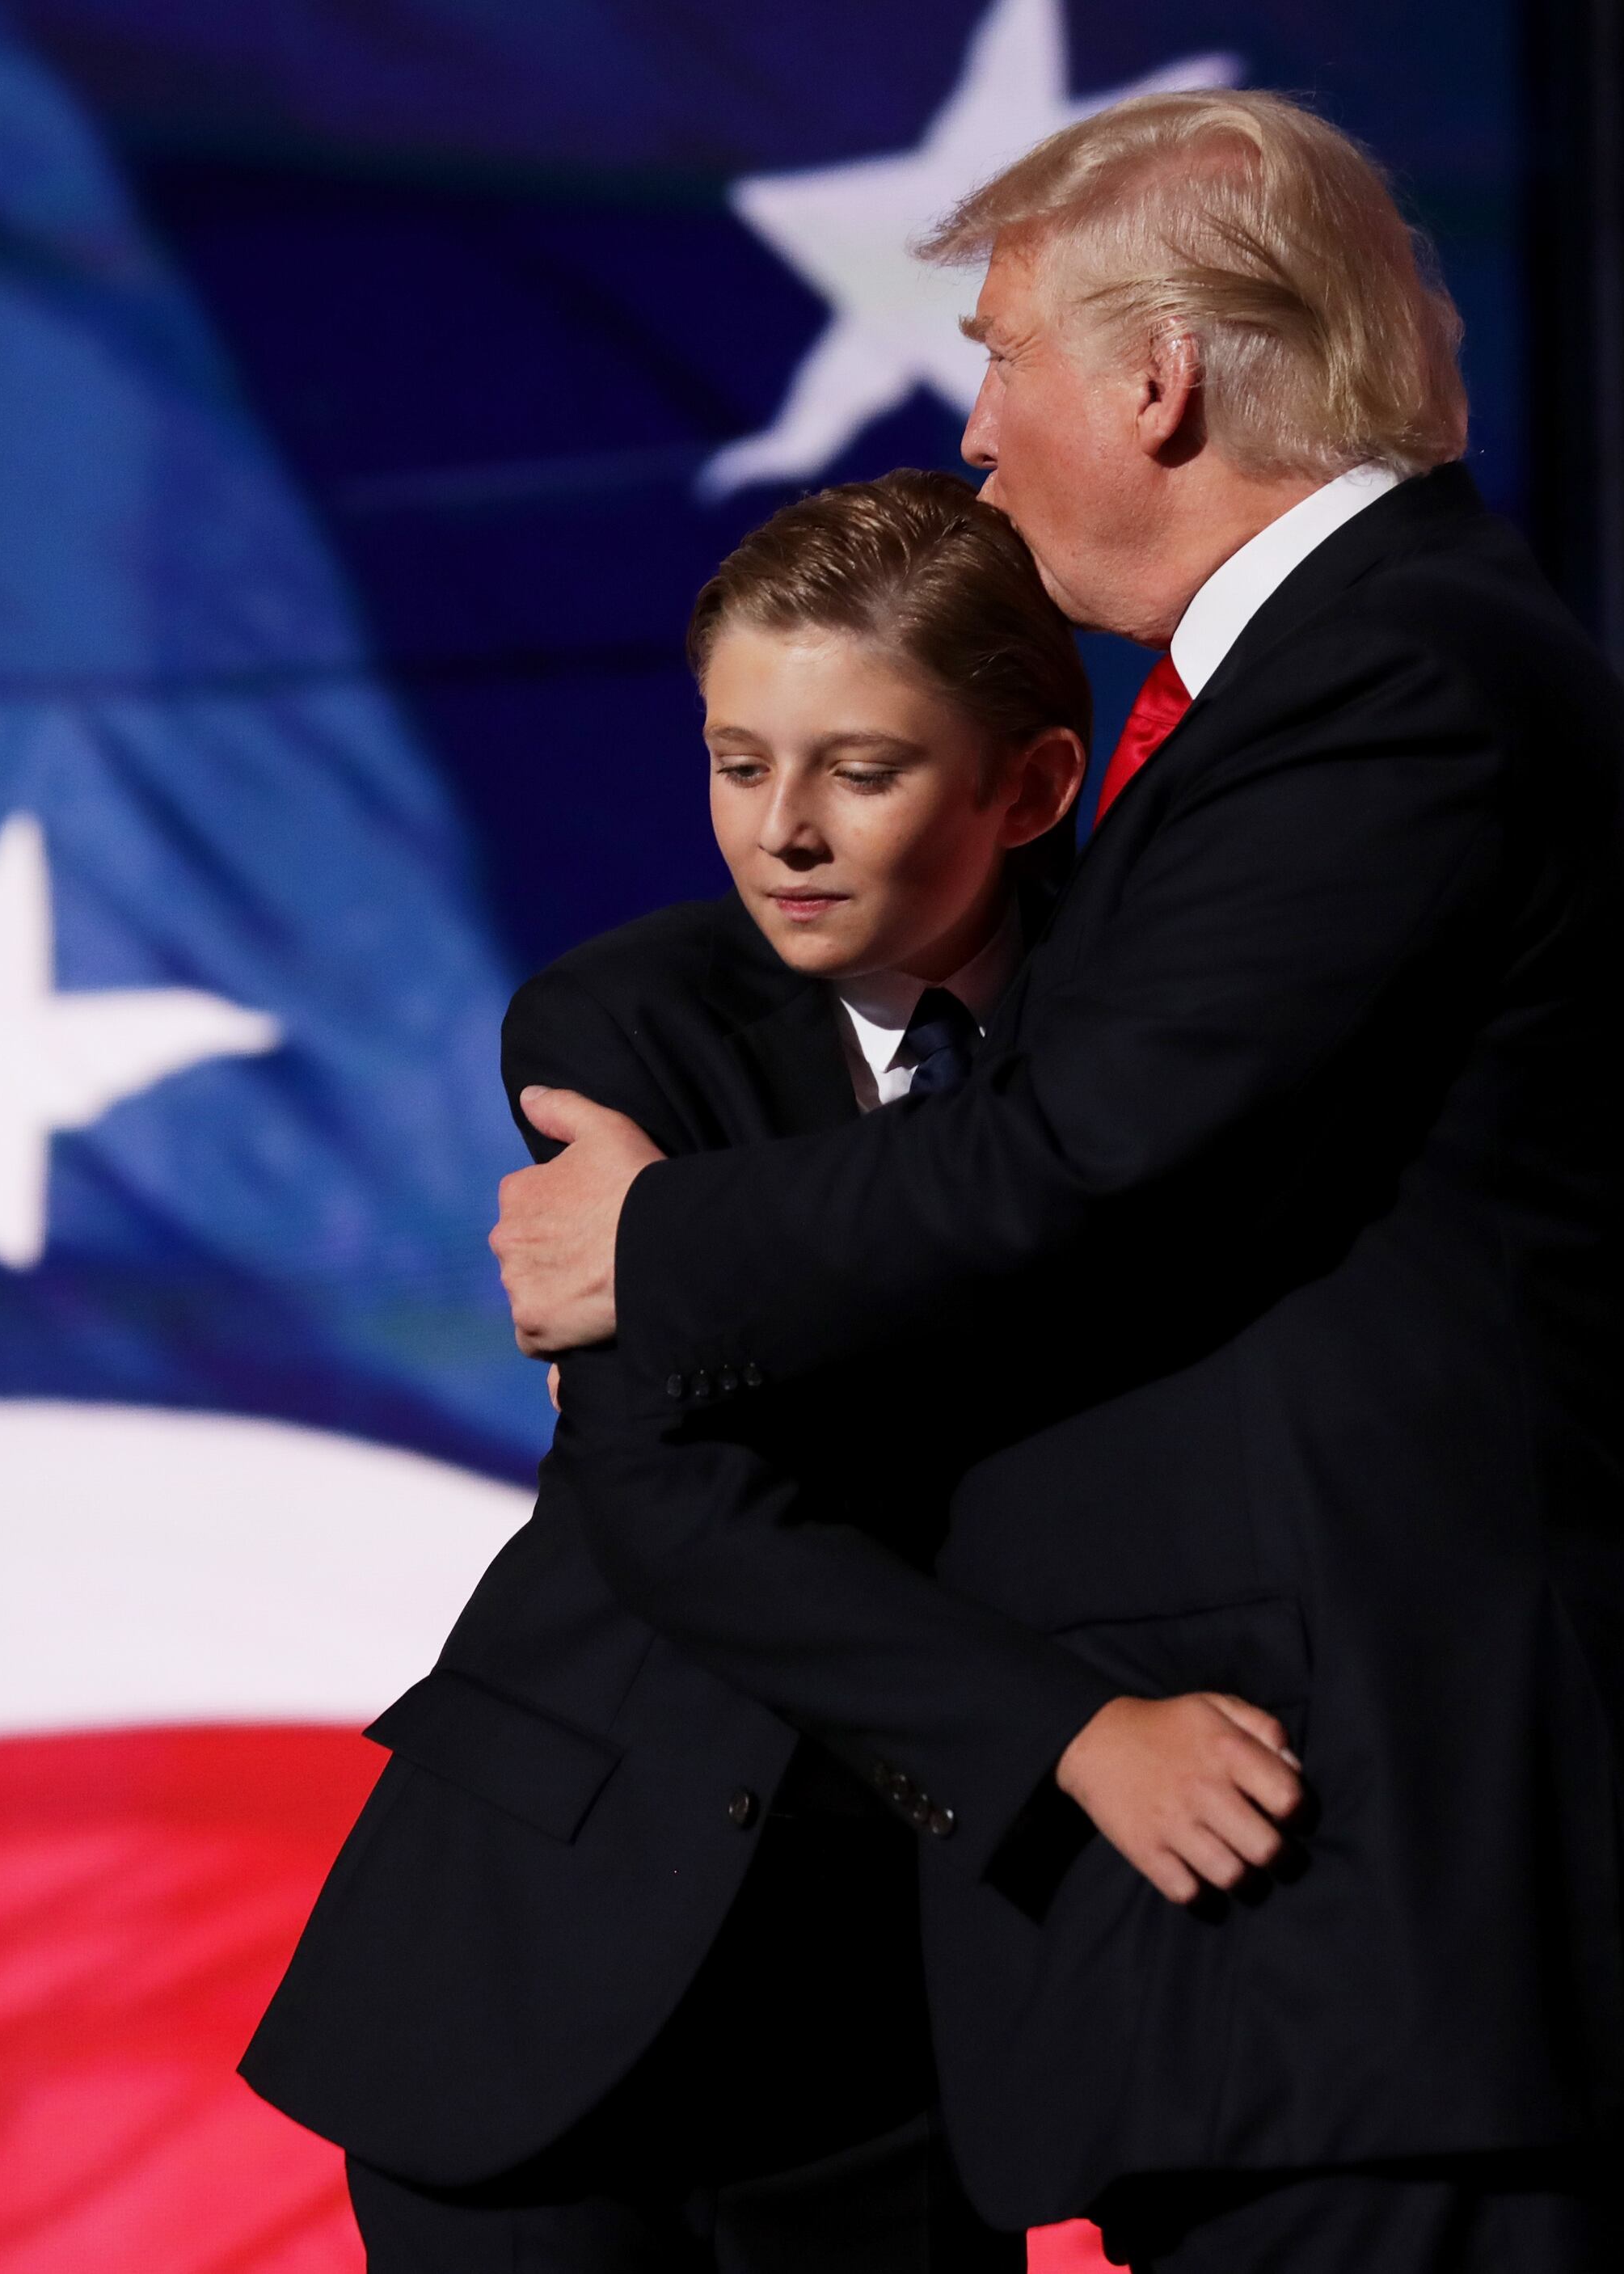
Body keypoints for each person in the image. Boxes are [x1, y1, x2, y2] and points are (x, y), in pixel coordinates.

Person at [489, 89, 1624, 2274]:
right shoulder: (1320, 678)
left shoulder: (1401, 681)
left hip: (1409, 1934)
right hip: (1316, 1963)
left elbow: (1095, 1154)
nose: (981, 436)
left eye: (1003, 359)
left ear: (1160, 378)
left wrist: (657, 1241)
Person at [243, 468, 1303, 2272]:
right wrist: (1073, 1737)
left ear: (1034, 786)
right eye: (742, 762)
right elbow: (677, 1498)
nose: (783, 832)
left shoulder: (1140, 1051)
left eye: (861, 770)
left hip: (899, 2033)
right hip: (536, 1980)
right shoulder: (622, 1020)